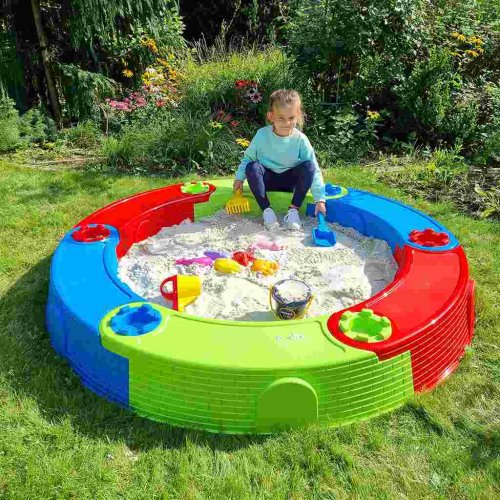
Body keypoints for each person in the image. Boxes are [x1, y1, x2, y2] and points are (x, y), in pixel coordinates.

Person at [233, 89, 326, 230]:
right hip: (266, 180)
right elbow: (248, 158)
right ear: (271, 116)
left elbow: (314, 170)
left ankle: (293, 211)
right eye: (281, 118)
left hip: (290, 182)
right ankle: (267, 212)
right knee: (252, 166)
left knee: (309, 166)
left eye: (291, 118)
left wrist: (320, 200)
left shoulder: (300, 139)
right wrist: (239, 178)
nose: (287, 123)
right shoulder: (262, 135)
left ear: (298, 116)